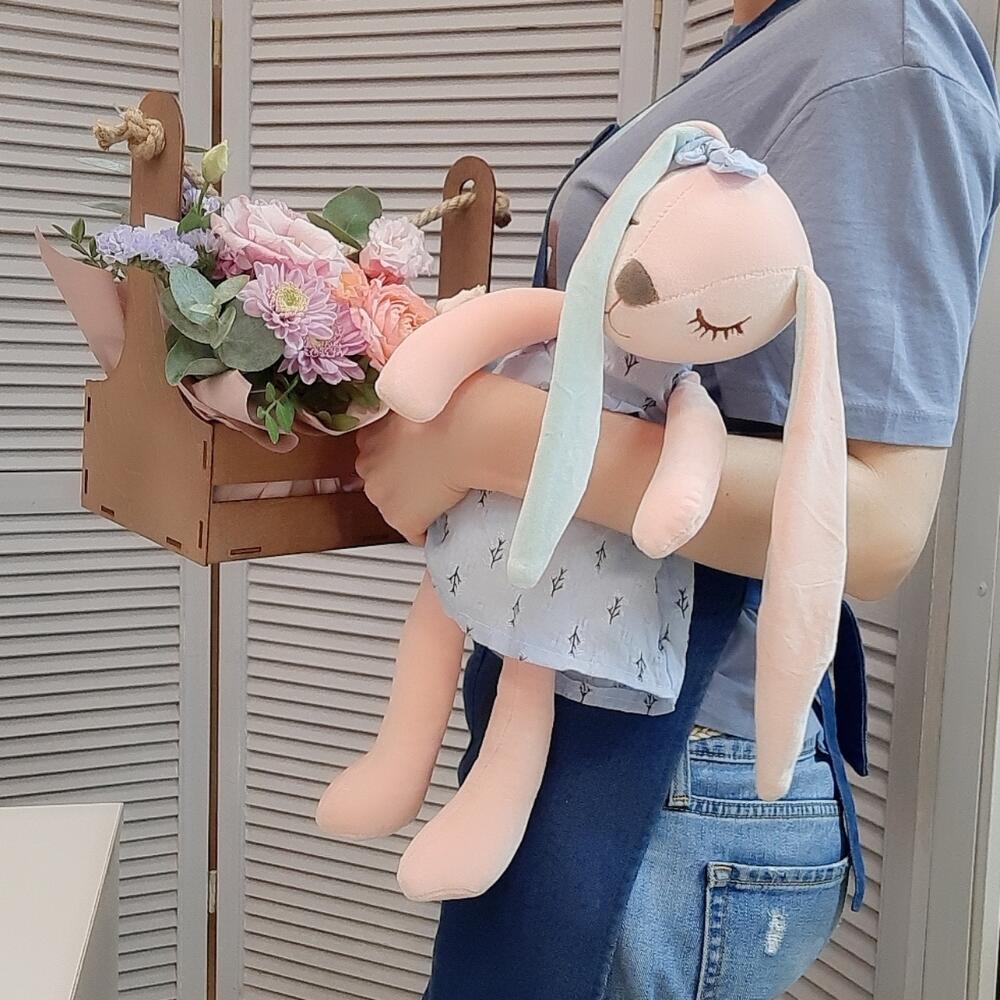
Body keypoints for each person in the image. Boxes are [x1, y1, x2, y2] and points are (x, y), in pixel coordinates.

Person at [355, 0, 1000, 997]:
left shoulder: (880, 40)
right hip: (603, 715)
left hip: (666, 764)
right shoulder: (778, 41)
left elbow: (877, 524)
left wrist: (481, 437)